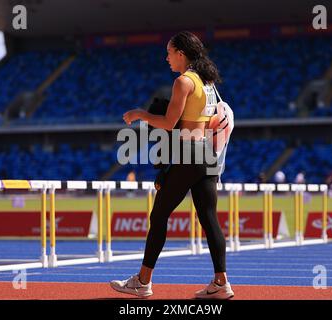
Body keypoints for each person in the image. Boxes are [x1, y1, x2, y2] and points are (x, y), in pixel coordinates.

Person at [110, 31, 234, 300]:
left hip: (188, 152)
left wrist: (140, 113)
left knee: (159, 215)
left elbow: (168, 123)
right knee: (209, 218)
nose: (166, 58)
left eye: (169, 52)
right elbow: (214, 121)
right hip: (206, 154)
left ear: (181, 53)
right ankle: (221, 282)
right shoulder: (208, 82)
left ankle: (143, 282)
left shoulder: (183, 82)